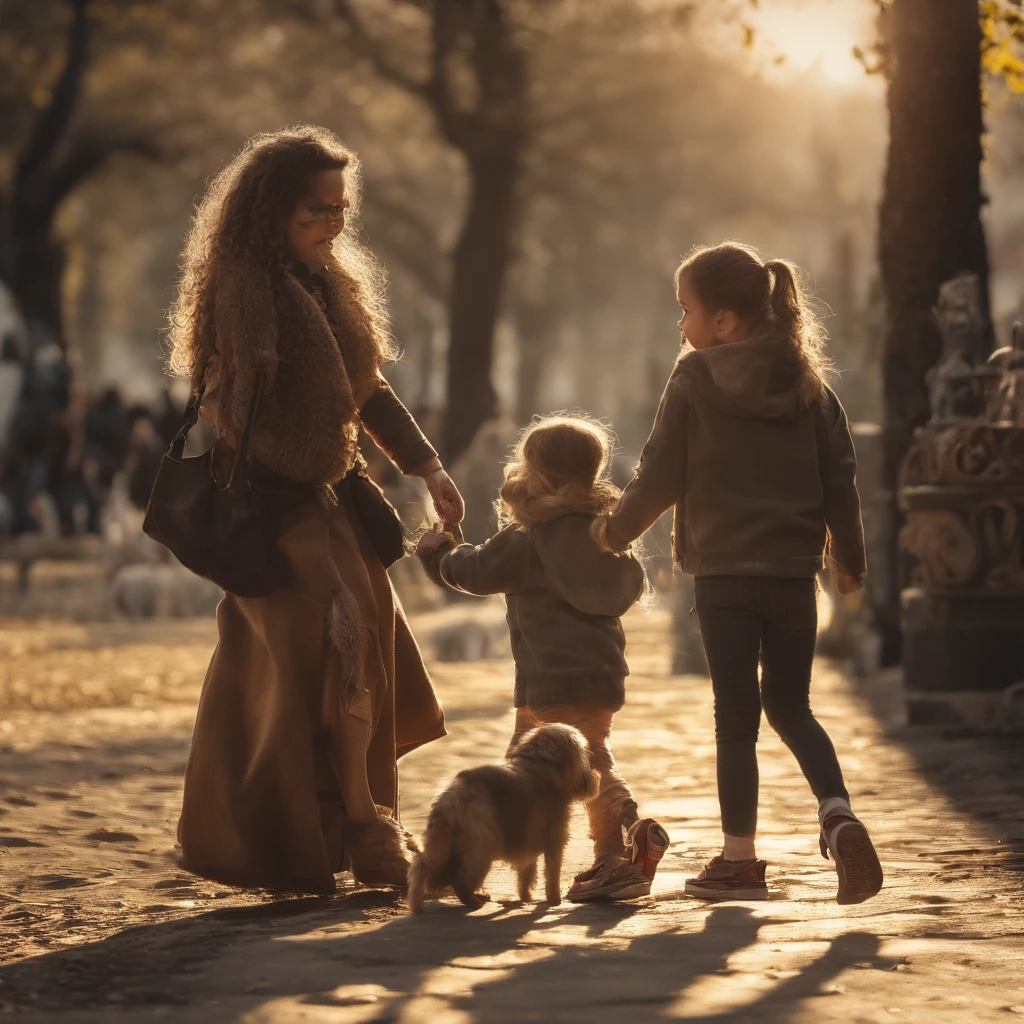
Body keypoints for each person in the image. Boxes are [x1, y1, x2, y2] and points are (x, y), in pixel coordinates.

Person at [167, 125, 464, 893]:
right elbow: (229, 401)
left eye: (340, 209)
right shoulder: (243, 288)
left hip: (328, 500)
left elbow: (366, 389)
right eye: (315, 211)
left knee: (358, 652)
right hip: (274, 510)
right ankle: (358, 831)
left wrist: (429, 466)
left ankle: (359, 829)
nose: (332, 224)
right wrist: (259, 398)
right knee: (322, 662)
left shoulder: (330, 281)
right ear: (271, 211)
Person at [593, 242, 882, 905]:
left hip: (723, 577)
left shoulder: (695, 378)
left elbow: (660, 472)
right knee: (791, 705)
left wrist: (611, 531)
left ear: (724, 321)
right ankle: (837, 814)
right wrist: (851, 563)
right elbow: (842, 481)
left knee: (735, 718)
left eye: (685, 310)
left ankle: (739, 861)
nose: (681, 326)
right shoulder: (812, 386)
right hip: (792, 576)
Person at [416, 415, 670, 902]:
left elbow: (474, 571)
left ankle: (622, 844)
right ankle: (460, 867)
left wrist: (438, 554)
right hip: (597, 677)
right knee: (522, 770)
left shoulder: (530, 539)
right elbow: (630, 583)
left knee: (587, 764)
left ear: (536, 474)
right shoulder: (607, 534)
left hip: (553, 679)